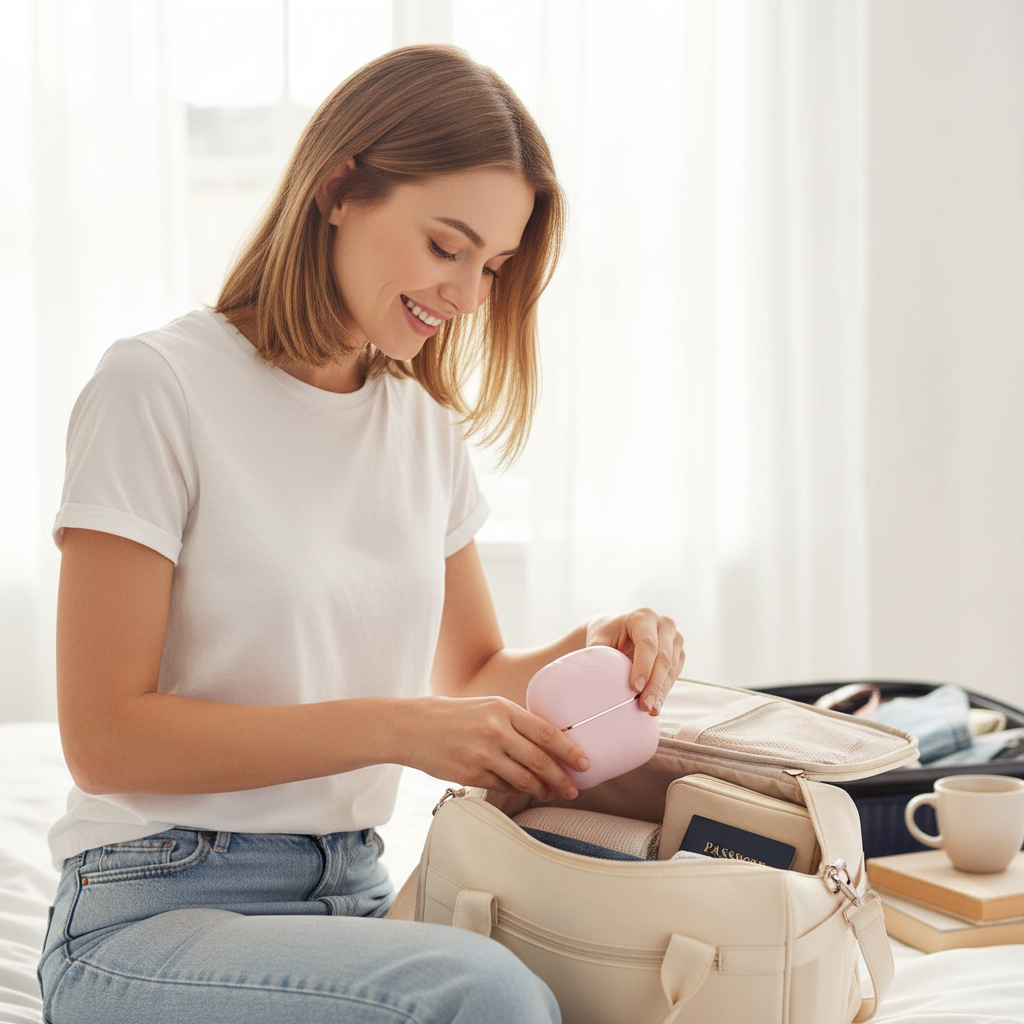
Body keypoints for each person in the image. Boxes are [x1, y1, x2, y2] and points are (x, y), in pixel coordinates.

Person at [38, 44, 685, 1024]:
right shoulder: (157, 388)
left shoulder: (420, 429)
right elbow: (105, 740)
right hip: (146, 909)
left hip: (352, 891)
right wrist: (393, 725)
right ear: (339, 188)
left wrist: (592, 652)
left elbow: (470, 677)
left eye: (493, 266)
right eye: (445, 246)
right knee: (484, 996)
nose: (469, 296)